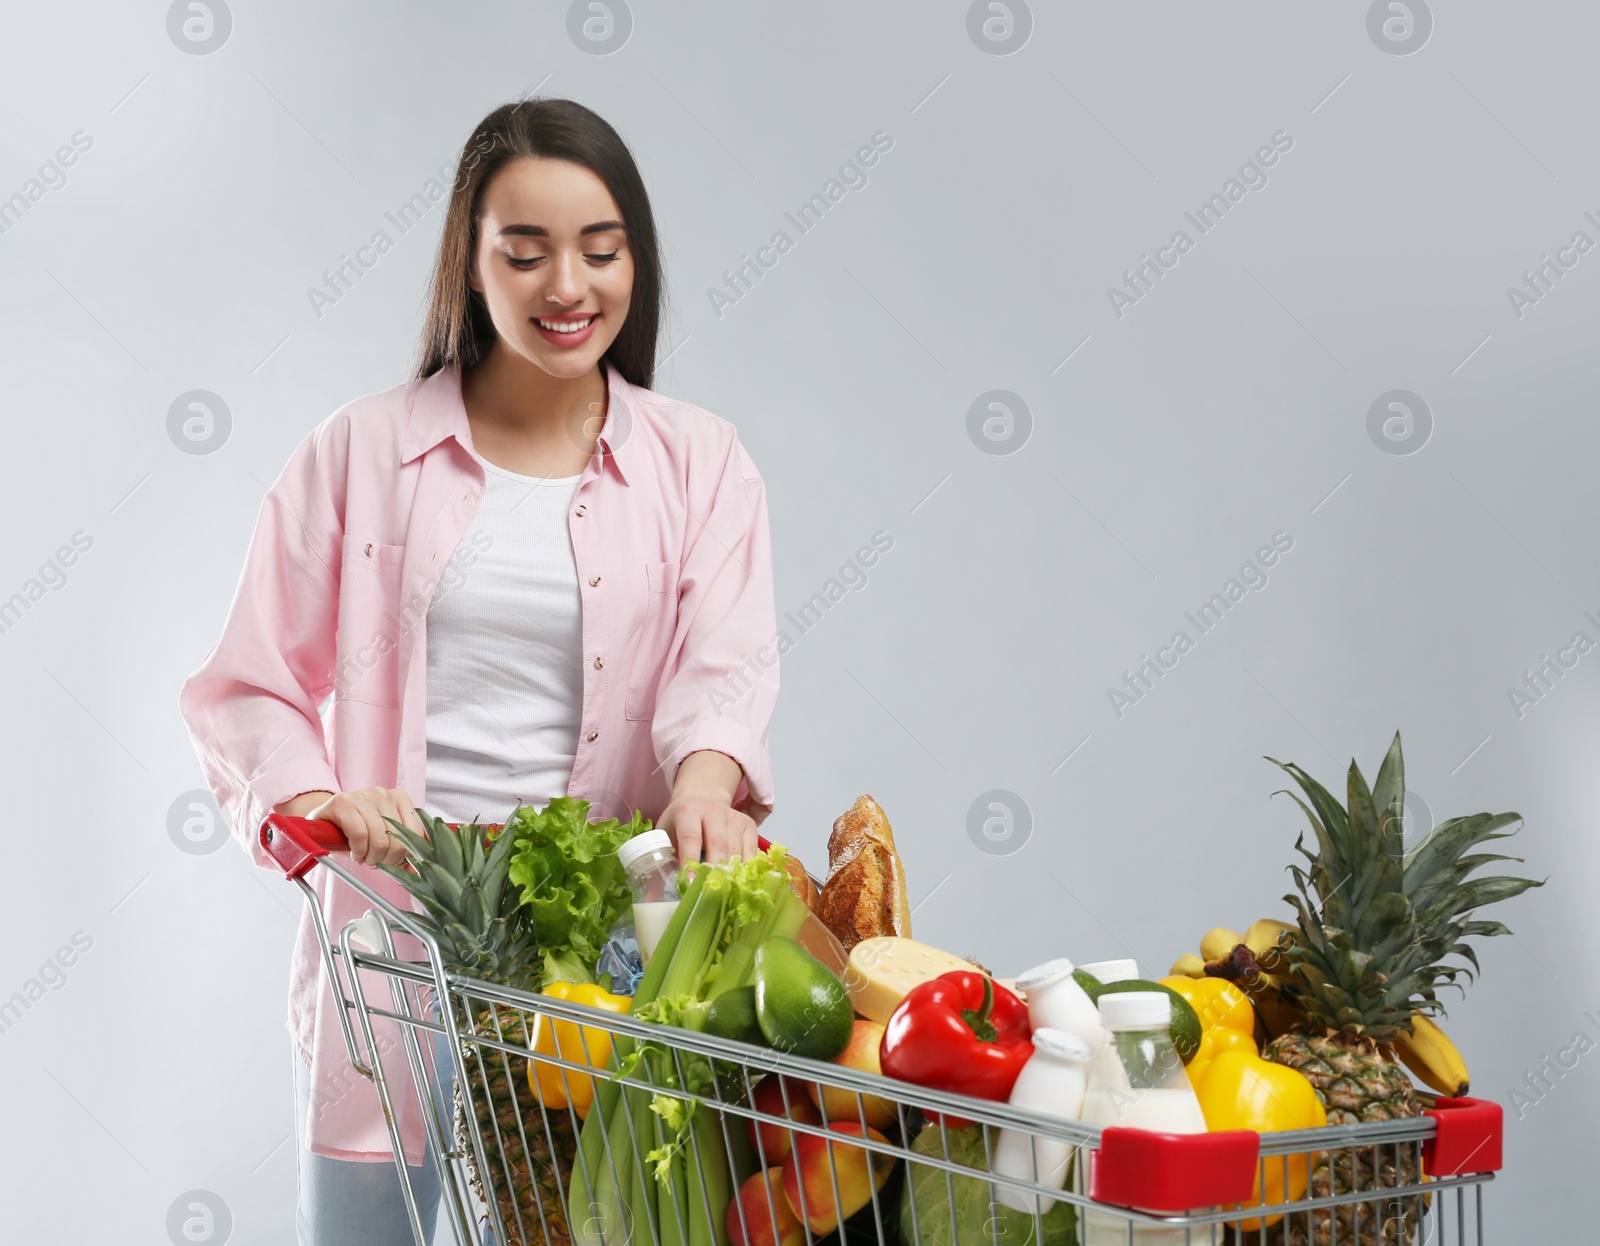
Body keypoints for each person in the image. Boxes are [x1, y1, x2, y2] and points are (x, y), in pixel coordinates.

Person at [177, 97, 779, 1245]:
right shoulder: (363, 451)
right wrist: (315, 804)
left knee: (598, 1218)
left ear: (635, 262)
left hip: (607, 948)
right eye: (526, 250)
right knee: (375, 1219)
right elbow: (248, 682)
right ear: (471, 261)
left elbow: (727, 658)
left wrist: (707, 782)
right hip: (398, 930)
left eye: (601, 251)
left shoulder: (699, 462)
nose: (569, 285)